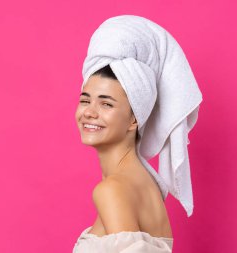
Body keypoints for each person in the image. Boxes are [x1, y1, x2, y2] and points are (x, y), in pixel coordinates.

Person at [72, 14, 202, 253]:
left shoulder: (111, 190)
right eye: (85, 99)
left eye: (106, 104)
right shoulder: (146, 183)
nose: (89, 112)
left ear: (134, 118)